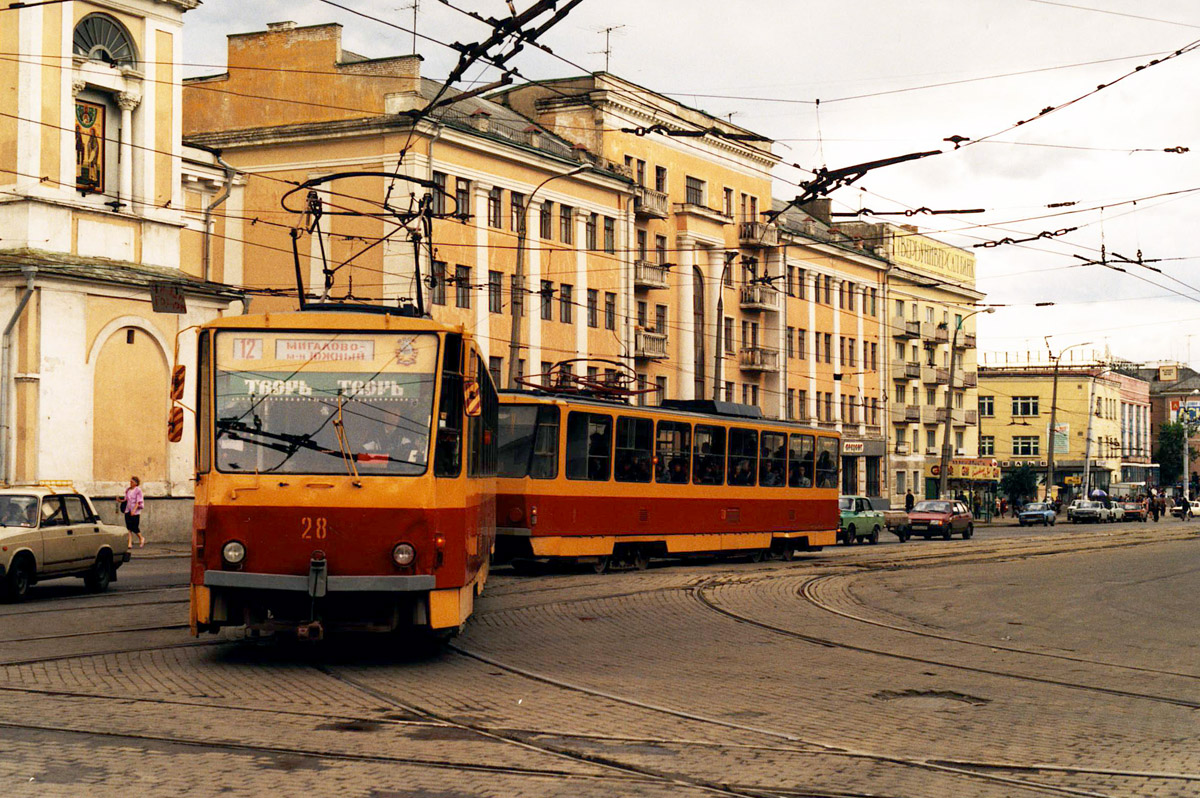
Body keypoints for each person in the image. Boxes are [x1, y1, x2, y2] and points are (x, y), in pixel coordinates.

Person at [121, 476, 145, 548]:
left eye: (132, 482)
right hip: (128, 510)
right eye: (130, 482)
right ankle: (129, 543)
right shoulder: (128, 490)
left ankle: (141, 538)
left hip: (135, 511)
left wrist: (134, 510)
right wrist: (120, 500)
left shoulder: (138, 490)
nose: (130, 483)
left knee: (134, 527)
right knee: (129, 527)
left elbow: (138, 501)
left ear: (136, 483)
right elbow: (126, 499)